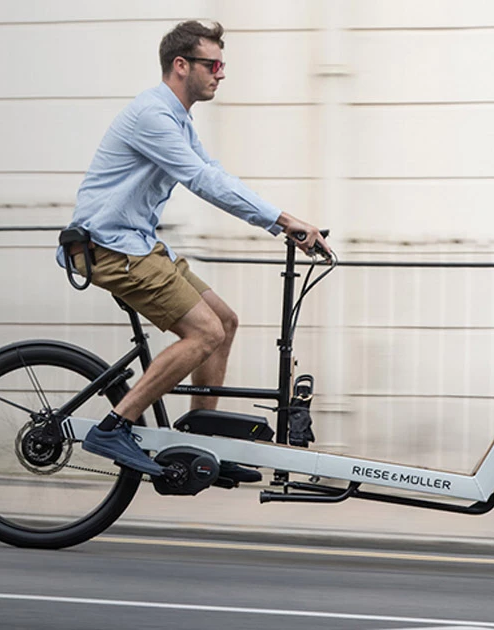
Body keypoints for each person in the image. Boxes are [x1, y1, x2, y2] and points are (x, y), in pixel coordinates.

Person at [57, 20, 329, 483]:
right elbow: (202, 182)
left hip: (137, 245)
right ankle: (114, 426)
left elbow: (213, 171)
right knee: (204, 333)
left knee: (225, 321)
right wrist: (283, 221)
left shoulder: (178, 118)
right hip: (108, 248)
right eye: (212, 65)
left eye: (222, 65)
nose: (221, 73)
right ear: (181, 65)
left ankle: (203, 443)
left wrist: (281, 221)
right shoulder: (153, 116)